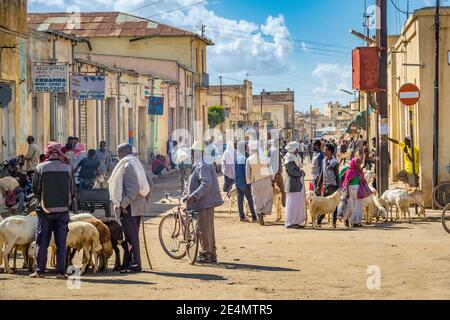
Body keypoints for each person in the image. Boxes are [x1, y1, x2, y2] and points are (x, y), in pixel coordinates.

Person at [30, 142, 75, 279]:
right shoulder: (68, 167)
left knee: (42, 240)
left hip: (45, 210)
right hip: (63, 210)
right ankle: (61, 272)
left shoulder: (40, 167)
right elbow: (72, 190)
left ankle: (40, 271)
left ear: (47, 152)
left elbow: (36, 189)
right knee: (61, 242)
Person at [109, 143, 151, 273]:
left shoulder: (127, 166)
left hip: (129, 208)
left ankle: (135, 264)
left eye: (118, 152)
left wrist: (122, 205)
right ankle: (126, 263)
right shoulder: (137, 164)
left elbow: (133, 190)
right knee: (129, 236)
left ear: (122, 152)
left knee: (131, 237)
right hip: (136, 206)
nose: (117, 155)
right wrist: (144, 201)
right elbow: (149, 184)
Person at [186, 141, 223, 263]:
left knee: (204, 229)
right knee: (207, 229)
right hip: (203, 202)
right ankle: (211, 254)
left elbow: (206, 184)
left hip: (204, 202)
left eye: (193, 151)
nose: (192, 154)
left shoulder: (203, 164)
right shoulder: (200, 164)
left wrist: (194, 196)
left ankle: (207, 253)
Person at [246, 141, 275, 226]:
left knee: (257, 199)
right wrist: (273, 179)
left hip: (255, 182)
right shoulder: (265, 158)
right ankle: (263, 212)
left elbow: (247, 174)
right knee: (269, 199)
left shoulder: (249, 159)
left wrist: (249, 182)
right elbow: (271, 170)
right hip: (266, 180)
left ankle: (259, 212)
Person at [340, 157, 372, 227]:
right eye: (357, 162)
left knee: (359, 206)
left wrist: (361, 179)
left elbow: (362, 180)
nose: (358, 164)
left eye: (359, 162)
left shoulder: (359, 171)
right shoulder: (350, 171)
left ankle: (357, 221)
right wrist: (347, 192)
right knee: (351, 206)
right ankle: (348, 220)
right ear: (353, 163)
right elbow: (347, 182)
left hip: (359, 190)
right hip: (351, 190)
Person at [317, 143, 341, 229]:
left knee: (333, 205)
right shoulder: (324, 161)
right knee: (323, 204)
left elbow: (337, 176)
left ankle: (333, 223)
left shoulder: (335, 163)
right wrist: (318, 185)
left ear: (330, 151)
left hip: (333, 186)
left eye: (326, 150)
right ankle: (319, 221)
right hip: (326, 186)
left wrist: (339, 188)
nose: (324, 151)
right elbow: (322, 174)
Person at [284, 142, 306, 229]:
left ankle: (297, 221)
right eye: (296, 148)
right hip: (293, 184)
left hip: (298, 183)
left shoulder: (294, 157)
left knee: (297, 203)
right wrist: (300, 173)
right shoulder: (289, 158)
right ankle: (291, 222)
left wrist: (301, 172)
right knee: (292, 203)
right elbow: (291, 171)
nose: (298, 150)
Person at [235, 141, 257, 223]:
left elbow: (235, 171)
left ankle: (242, 216)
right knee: (250, 200)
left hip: (238, 183)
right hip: (245, 183)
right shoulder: (245, 159)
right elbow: (247, 172)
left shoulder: (237, 159)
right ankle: (254, 217)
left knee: (240, 201)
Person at [268, 139, 286, 207]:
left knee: (270, 190)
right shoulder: (276, 150)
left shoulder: (270, 150)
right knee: (282, 189)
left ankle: (268, 205)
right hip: (276, 173)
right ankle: (284, 204)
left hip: (271, 172)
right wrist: (277, 173)